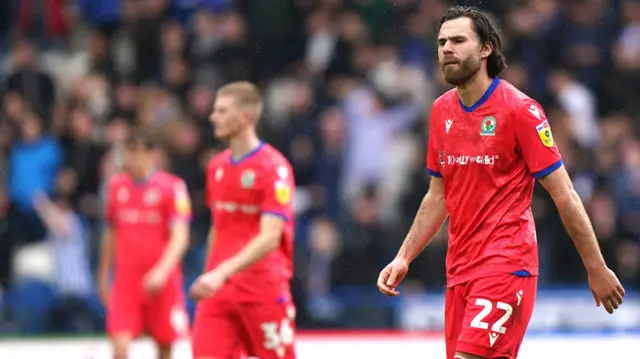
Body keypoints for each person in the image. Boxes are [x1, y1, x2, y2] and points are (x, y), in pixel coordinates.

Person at [376, 6, 625, 359]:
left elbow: (564, 193)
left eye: (458, 40)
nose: (446, 48)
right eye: (441, 41)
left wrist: (596, 267)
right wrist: (404, 257)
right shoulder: (440, 111)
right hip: (459, 270)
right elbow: (438, 195)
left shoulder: (521, 110)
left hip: (506, 263)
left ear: (486, 49)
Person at [189, 81, 296, 359]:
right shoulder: (217, 167)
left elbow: (270, 237)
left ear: (246, 116)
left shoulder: (274, 168)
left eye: (222, 111)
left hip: (261, 289)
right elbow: (219, 226)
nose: (213, 117)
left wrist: (221, 272)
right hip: (219, 293)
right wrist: (209, 274)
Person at [98, 132, 191, 359]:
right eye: (128, 153)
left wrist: (162, 271)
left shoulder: (173, 187)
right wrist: (102, 274)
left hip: (162, 282)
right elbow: (110, 233)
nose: (131, 159)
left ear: (152, 154)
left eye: (137, 153)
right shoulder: (115, 187)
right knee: (119, 346)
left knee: (165, 347)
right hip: (126, 282)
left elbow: (180, 237)